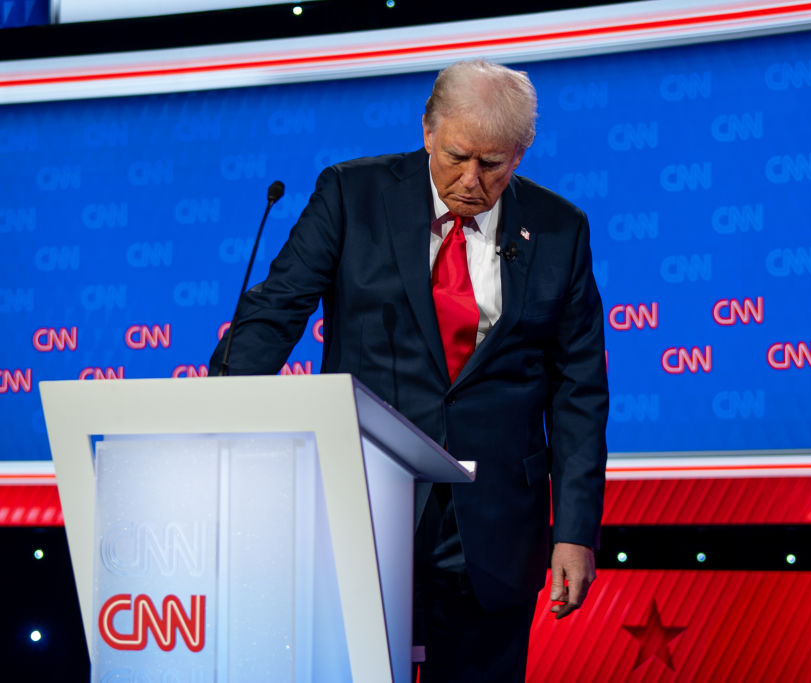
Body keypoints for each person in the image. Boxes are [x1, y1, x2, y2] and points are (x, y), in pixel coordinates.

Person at [209, 59, 608, 682]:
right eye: (457, 156)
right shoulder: (351, 195)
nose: (472, 180)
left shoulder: (560, 229)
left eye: (494, 164)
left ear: (521, 155)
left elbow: (580, 392)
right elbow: (276, 312)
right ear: (427, 129)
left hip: (495, 523)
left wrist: (575, 531)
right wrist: (221, 417)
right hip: (363, 504)